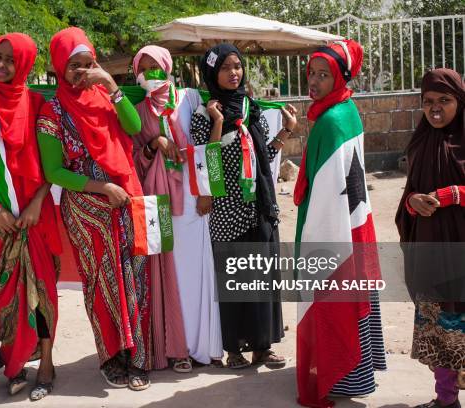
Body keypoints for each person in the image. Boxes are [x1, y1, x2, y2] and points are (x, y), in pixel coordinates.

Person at [37, 27, 152, 391]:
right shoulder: (52, 111)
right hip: (87, 208)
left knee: (134, 278)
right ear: (59, 67)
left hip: (127, 197)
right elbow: (54, 171)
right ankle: (111, 357)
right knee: (102, 284)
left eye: (89, 64)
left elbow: (133, 127)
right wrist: (103, 188)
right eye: (75, 66)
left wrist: (112, 86)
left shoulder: (104, 96)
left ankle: (138, 358)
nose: (82, 72)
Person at [0, 33, 61, 401]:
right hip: (0, 221)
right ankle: (16, 364)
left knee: (42, 293)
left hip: (36, 217)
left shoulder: (39, 103)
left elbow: (53, 163)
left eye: (10, 59)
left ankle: (48, 362)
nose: (2, 65)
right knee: (5, 298)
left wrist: (38, 201)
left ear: (23, 63)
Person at [293, 40, 387, 407]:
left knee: (332, 295)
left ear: (340, 77)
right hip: (355, 222)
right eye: (311, 74)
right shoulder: (346, 108)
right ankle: (352, 373)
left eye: (323, 75)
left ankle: (336, 375)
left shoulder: (330, 121)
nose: (313, 82)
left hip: (334, 226)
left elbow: (325, 193)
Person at [191, 43, 292, 370]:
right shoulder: (203, 113)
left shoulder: (252, 109)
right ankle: (234, 349)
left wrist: (285, 133)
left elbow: (267, 159)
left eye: (237, 66)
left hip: (258, 206)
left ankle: (262, 348)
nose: (233, 73)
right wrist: (218, 124)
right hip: (225, 208)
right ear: (212, 73)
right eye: (225, 68)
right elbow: (208, 166)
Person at [132, 45, 223, 369]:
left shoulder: (190, 99)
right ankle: (177, 349)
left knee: (197, 275)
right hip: (161, 205)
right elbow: (135, 163)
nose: (149, 74)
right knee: (167, 278)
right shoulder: (140, 112)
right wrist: (155, 143)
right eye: (142, 69)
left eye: (155, 66)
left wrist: (209, 191)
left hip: (194, 202)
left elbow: (207, 147)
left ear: (167, 65)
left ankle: (202, 348)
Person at [395, 68, 464, 408]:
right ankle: (446, 400)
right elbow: (408, 195)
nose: (435, 109)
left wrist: (454, 194)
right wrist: (412, 202)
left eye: (445, 101)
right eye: (428, 102)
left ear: (460, 102)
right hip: (431, 251)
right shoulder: (420, 141)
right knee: (439, 324)